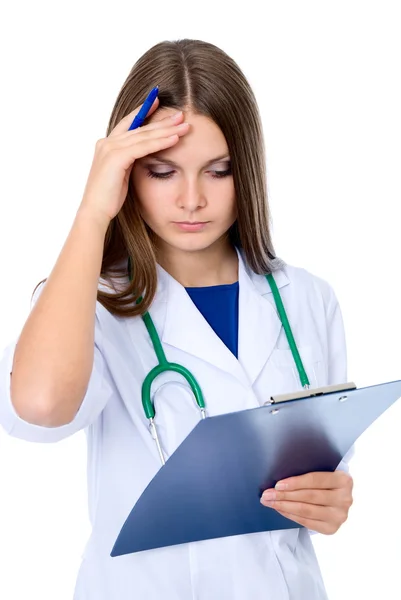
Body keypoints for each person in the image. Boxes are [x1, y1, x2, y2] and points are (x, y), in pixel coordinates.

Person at [0, 38, 353, 599]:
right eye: (163, 172)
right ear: (127, 173)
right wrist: (93, 210)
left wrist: (329, 503)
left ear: (249, 172)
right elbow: (40, 406)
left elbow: (321, 479)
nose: (192, 199)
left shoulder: (307, 299)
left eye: (218, 170)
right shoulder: (88, 302)